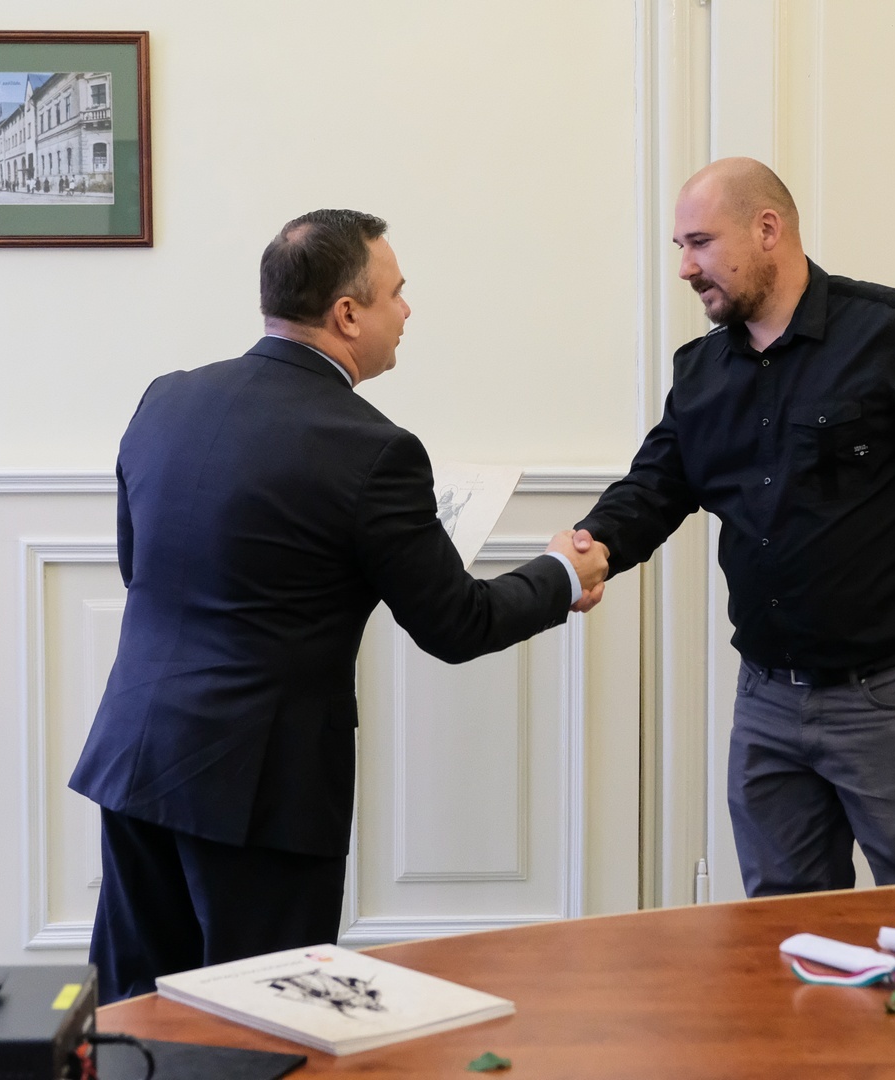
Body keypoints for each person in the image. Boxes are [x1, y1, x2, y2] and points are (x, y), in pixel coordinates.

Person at [69, 209, 607, 1003]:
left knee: (136, 1010)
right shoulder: (374, 449)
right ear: (347, 313)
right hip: (261, 788)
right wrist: (561, 572)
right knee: (263, 1017)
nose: (408, 311)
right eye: (397, 293)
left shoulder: (169, 399)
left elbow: (137, 565)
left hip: (135, 754)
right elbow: (457, 624)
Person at [569, 158, 895, 897]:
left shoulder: (892, 335)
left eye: (700, 243)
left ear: (768, 229)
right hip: (765, 698)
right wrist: (592, 546)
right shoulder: (701, 371)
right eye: (680, 248)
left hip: (892, 696)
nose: (686, 268)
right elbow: (657, 484)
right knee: (780, 927)